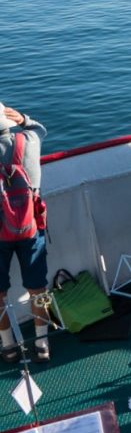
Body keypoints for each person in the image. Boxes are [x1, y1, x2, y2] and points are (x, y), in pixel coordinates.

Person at [0, 103, 51, 363]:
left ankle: (8, 346)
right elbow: (40, 129)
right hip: (31, 227)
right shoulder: (29, 140)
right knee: (38, 289)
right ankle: (42, 343)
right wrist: (23, 118)